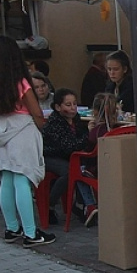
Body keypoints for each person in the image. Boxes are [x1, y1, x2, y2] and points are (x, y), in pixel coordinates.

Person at [0, 35, 55, 247]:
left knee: (7, 179)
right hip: (21, 130)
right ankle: (31, 233)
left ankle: (12, 228)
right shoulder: (21, 82)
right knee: (23, 179)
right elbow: (36, 112)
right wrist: (44, 127)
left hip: (0, 129)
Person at [40, 88, 89, 224]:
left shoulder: (76, 119)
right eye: (68, 105)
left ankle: (80, 203)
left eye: (74, 104)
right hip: (49, 155)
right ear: (58, 107)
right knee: (69, 172)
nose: (73, 108)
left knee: (85, 167)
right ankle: (49, 205)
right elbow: (68, 147)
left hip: (67, 155)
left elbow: (79, 140)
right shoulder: (55, 123)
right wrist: (88, 135)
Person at [75, 92, 119, 227]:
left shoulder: (95, 131)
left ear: (94, 111)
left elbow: (87, 149)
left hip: (95, 168)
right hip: (116, 166)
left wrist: (88, 132)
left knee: (77, 170)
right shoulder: (118, 128)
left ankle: (89, 205)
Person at [105, 50, 135, 114]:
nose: (112, 73)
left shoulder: (132, 87)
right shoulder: (110, 86)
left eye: (116, 69)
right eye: (109, 69)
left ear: (125, 69)